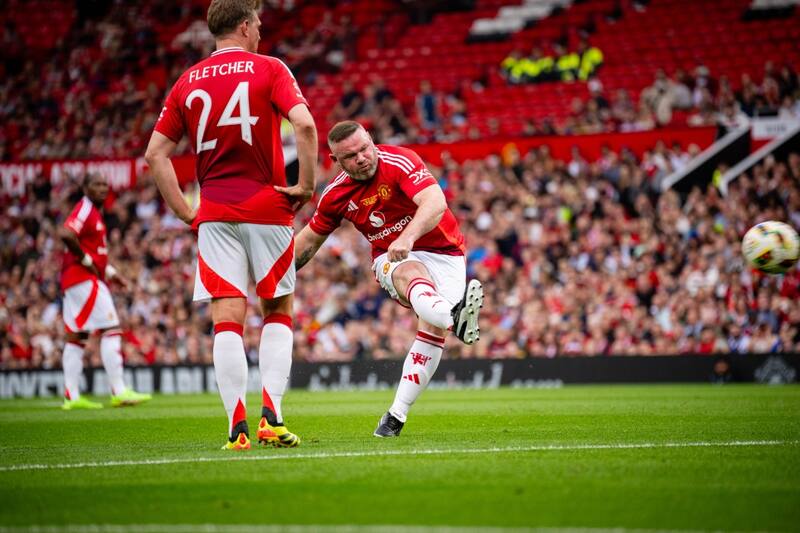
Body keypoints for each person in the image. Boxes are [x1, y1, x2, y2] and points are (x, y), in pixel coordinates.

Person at [144, 0, 318, 451]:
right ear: (244, 25)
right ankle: (271, 418)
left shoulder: (187, 81)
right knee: (277, 309)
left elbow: (155, 154)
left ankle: (236, 428)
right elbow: (304, 124)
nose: (259, 31)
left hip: (215, 211)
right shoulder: (270, 68)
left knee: (226, 319)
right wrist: (306, 185)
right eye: (257, 23)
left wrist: (186, 212)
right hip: (267, 205)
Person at [294, 120, 483, 437]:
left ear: (371, 139)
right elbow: (309, 241)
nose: (362, 158)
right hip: (390, 257)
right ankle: (456, 319)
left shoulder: (400, 160)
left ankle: (395, 416)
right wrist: (272, 274)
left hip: (446, 252)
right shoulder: (335, 195)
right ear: (335, 160)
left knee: (432, 330)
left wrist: (407, 237)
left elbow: (435, 202)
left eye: (364, 148)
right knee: (411, 272)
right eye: (351, 156)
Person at [59, 173, 151, 409]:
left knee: (77, 337)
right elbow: (66, 233)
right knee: (111, 328)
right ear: (85, 188)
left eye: (104, 185)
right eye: (96, 184)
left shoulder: (94, 213)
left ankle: (72, 396)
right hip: (83, 278)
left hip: (74, 280)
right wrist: (86, 261)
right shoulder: (85, 209)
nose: (102, 188)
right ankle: (119, 391)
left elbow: (95, 253)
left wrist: (110, 272)